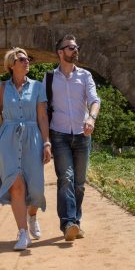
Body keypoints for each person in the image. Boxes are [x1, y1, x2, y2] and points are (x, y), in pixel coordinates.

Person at [0, 47, 52, 251]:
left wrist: (47, 143)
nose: (26, 62)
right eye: (22, 59)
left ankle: (32, 215)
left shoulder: (38, 87)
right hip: (7, 141)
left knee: (36, 189)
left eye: (28, 59)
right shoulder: (2, 87)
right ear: (11, 64)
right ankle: (22, 233)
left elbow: (42, 117)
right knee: (16, 185)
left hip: (33, 138)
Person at [43, 35, 101, 241]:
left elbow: (95, 100)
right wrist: (46, 140)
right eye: (70, 47)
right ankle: (68, 223)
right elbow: (42, 108)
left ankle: (76, 221)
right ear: (60, 52)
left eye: (76, 47)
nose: (75, 50)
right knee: (65, 179)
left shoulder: (85, 76)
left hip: (82, 135)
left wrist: (91, 118)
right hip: (59, 134)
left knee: (79, 183)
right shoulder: (49, 78)